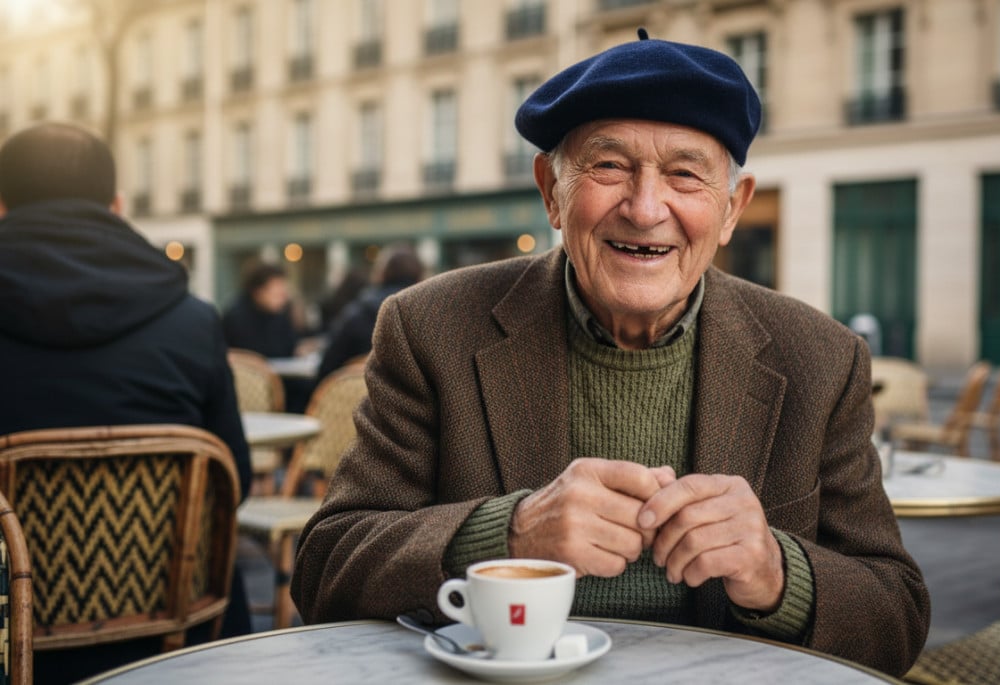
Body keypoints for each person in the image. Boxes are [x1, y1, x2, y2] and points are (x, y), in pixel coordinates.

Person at [292, 32, 930, 676]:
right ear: (552, 192)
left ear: (732, 208)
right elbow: (325, 568)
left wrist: (777, 571)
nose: (646, 208)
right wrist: (507, 533)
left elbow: (896, 619)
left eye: (684, 173)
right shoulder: (431, 328)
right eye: (610, 167)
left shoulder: (819, 359)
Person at [0, 122, 254, 683]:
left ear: (2, 206)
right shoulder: (192, 321)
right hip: (176, 644)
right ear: (116, 206)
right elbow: (235, 481)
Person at [316, 244, 425, 380]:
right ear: (420, 275)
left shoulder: (355, 314)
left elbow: (326, 368)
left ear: (381, 274)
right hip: (414, 400)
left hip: (355, 398)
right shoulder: (429, 317)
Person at [223, 261, 300, 359]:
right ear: (258, 292)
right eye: (276, 294)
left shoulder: (280, 314)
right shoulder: (236, 317)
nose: (283, 297)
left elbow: (290, 347)